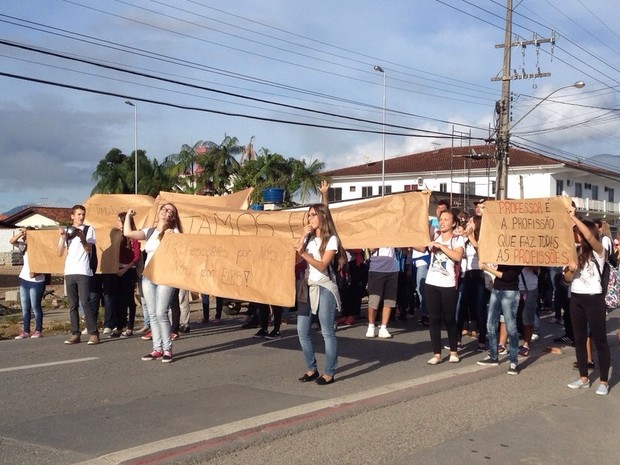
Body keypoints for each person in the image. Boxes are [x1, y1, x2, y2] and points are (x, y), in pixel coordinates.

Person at [124, 203, 183, 363]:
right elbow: (128, 232)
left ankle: (167, 349)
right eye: (164, 209)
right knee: (152, 314)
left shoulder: (174, 232)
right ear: (159, 212)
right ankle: (157, 349)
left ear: (173, 217)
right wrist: (128, 216)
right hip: (149, 276)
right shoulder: (150, 231)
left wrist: (172, 236)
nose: (166, 212)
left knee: (160, 312)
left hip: (166, 276)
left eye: (170, 211)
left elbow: (180, 251)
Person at [294, 203, 345, 385]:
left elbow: (323, 265)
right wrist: (302, 236)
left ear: (322, 217)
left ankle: (329, 371)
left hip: (325, 286)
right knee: (302, 330)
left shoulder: (331, 239)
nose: (310, 218)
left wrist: (304, 255)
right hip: (308, 286)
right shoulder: (308, 239)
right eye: (308, 215)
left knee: (326, 331)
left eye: (313, 215)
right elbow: (295, 258)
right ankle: (311, 368)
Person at [563, 207, 610, 396]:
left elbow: (590, 239)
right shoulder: (573, 252)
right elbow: (565, 279)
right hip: (576, 298)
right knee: (580, 339)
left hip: (594, 299)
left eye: (578, 232)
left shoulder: (599, 250)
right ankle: (583, 378)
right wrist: (571, 270)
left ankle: (604, 381)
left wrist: (573, 217)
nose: (576, 235)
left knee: (600, 340)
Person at [423, 209, 464, 365]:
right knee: (434, 319)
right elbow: (422, 236)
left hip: (448, 283)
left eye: (446, 219)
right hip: (432, 282)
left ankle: (454, 351)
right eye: (441, 219)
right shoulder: (435, 235)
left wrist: (441, 246)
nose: (442, 222)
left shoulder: (457, 239)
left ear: (453, 223)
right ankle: (437, 354)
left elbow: (457, 256)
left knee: (449, 318)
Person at [57, 204, 98, 345]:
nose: (81, 217)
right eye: (79, 214)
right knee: (72, 304)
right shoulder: (68, 231)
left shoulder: (88, 229)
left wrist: (82, 238)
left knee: (85, 302)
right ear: (72, 216)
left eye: (83, 214)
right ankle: (75, 333)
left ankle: (94, 333)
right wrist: (62, 238)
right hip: (70, 271)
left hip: (83, 271)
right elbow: (59, 253)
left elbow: (88, 250)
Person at [477, 263, 523, 375]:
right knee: (490, 325)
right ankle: (493, 356)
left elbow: (508, 277)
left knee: (511, 327)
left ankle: (513, 361)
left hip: (510, 291)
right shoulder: (501, 252)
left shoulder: (517, 258)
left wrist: (487, 268)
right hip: (496, 290)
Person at [10, 228, 46, 339]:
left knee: (35, 306)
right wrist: (21, 233)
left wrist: (36, 273)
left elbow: (48, 265)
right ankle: (26, 331)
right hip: (24, 279)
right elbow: (12, 241)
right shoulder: (24, 246)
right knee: (25, 307)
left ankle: (38, 330)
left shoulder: (41, 249)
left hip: (37, 281)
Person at [115, 212, 141, 337]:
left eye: (119, 221)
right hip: (117, 270)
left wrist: (125, 269)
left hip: (128, 270)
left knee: (129, 299)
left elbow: (136, 257)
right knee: (119, 300)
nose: (117, 223)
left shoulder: (133, 237)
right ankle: (119, 326)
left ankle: (130, 326)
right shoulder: (116, 236)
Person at [365, 247, 399, 339]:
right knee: (374, 300)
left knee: (389, 299)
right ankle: (371, 326)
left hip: (392, 269)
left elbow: (403, 249)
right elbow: (371, 248)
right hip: (376, 269)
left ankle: (384, 327)